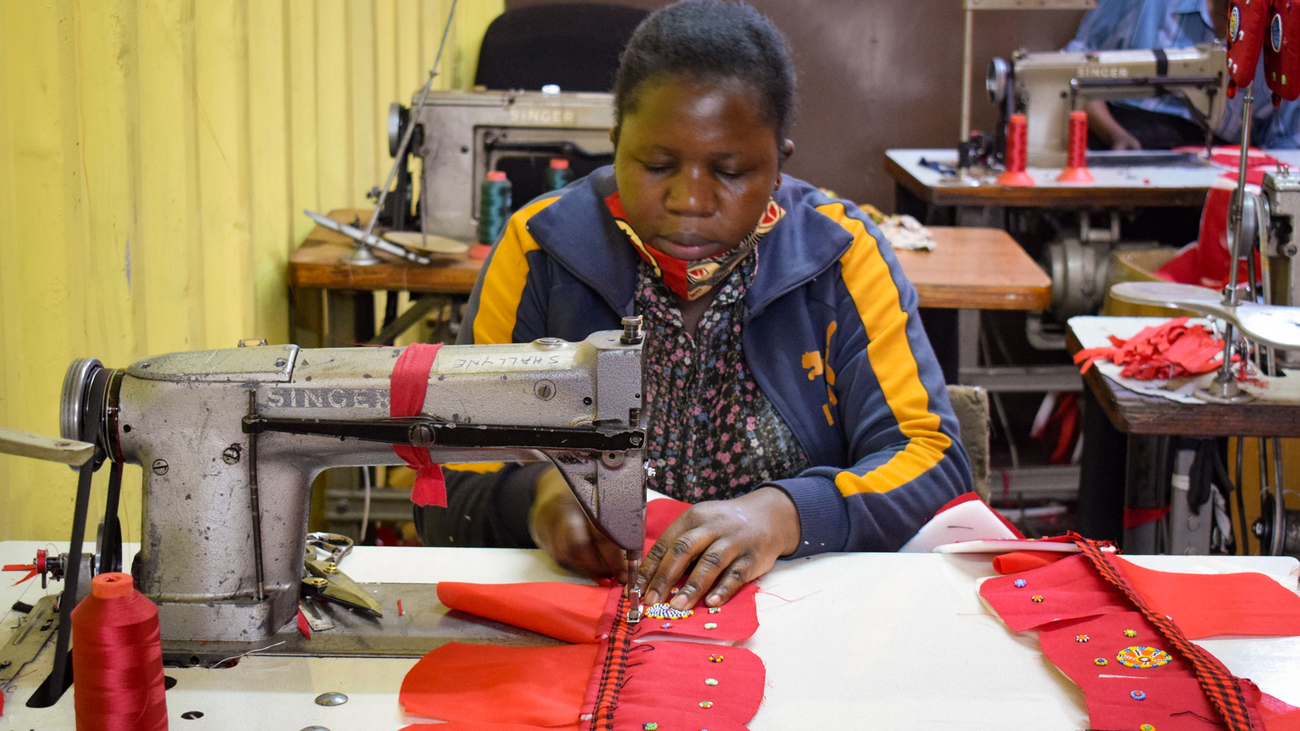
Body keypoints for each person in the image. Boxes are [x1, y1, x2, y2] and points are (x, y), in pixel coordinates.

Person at [416, 0, 972, 612]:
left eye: (731, 171)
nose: (690, 199)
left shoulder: (838, 255)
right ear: (614, 143)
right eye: (656, 165)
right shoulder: (541, 249)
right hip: (586, 617)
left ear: (781, 162)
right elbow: (446, 473)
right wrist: (538, 498)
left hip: (799, 614)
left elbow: (931, 456)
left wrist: (786, 514)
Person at [1066, 0, 1300, 150]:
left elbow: (1284, 147)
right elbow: (1072, 69)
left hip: (1219, 171)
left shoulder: (1283, 41)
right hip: (1125, 138)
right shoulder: (1145, 5)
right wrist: (1113, 134)